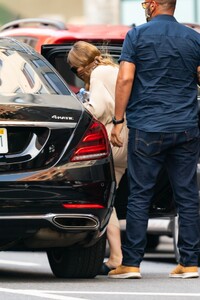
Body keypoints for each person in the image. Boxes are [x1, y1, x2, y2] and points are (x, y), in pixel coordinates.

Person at [109, 0, 200, 279]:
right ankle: (190, 263)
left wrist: (118, 120)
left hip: (147, 127)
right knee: (187, 196)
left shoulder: (137, 35)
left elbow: (125, 79)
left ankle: (132, 264)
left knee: (140, 195)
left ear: (151, 4)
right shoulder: (194, 38)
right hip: (186, 127)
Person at [67, 41, 129, 275]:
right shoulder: (113, 69)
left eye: (74, 68)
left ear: (82, 63)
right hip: (127, 138)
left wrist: (80, 107)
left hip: (112, 138)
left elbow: (100, 108)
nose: (76, 72)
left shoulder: (100, 73)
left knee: (104, 199)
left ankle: (116, 257)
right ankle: (119, 256)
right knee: (110, 199)